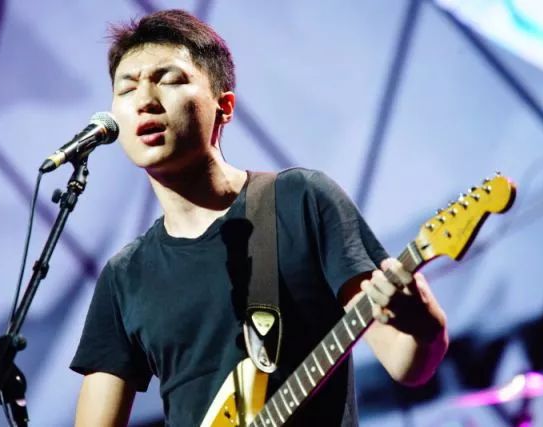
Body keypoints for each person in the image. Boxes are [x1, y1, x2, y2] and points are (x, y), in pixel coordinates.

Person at [70, 9, 448, 426]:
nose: (145, 100)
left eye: (170, 79)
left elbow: (405, 363)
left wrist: (424, 324)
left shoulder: (301, 201)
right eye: (127, 88)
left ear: (224, 106)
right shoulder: (125, 276)